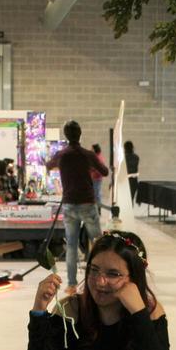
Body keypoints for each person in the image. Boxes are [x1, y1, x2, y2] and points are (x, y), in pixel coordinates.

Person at [27, 230, 169, 350]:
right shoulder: (70, 309)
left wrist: (139, 313)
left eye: (113, 274)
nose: (100, 282)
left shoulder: (150, 311)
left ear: (134, 277)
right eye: (94, 270)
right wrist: (39, 310)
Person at [47, 121, 108, 289]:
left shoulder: (61, 155)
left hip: (69, 204)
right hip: (87, 202)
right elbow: (105, 171)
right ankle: (100, 281)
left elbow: (48, 165)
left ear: (66, 135)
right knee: (98, 243)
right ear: (80, 134)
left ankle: (72, 285)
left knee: (72, 246)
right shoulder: (88, 154)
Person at [124, 140, 140, 206]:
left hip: (126, 180)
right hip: (134, 181)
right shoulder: (136, 157)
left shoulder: (124, 158)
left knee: (126, 200)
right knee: (131, 199)